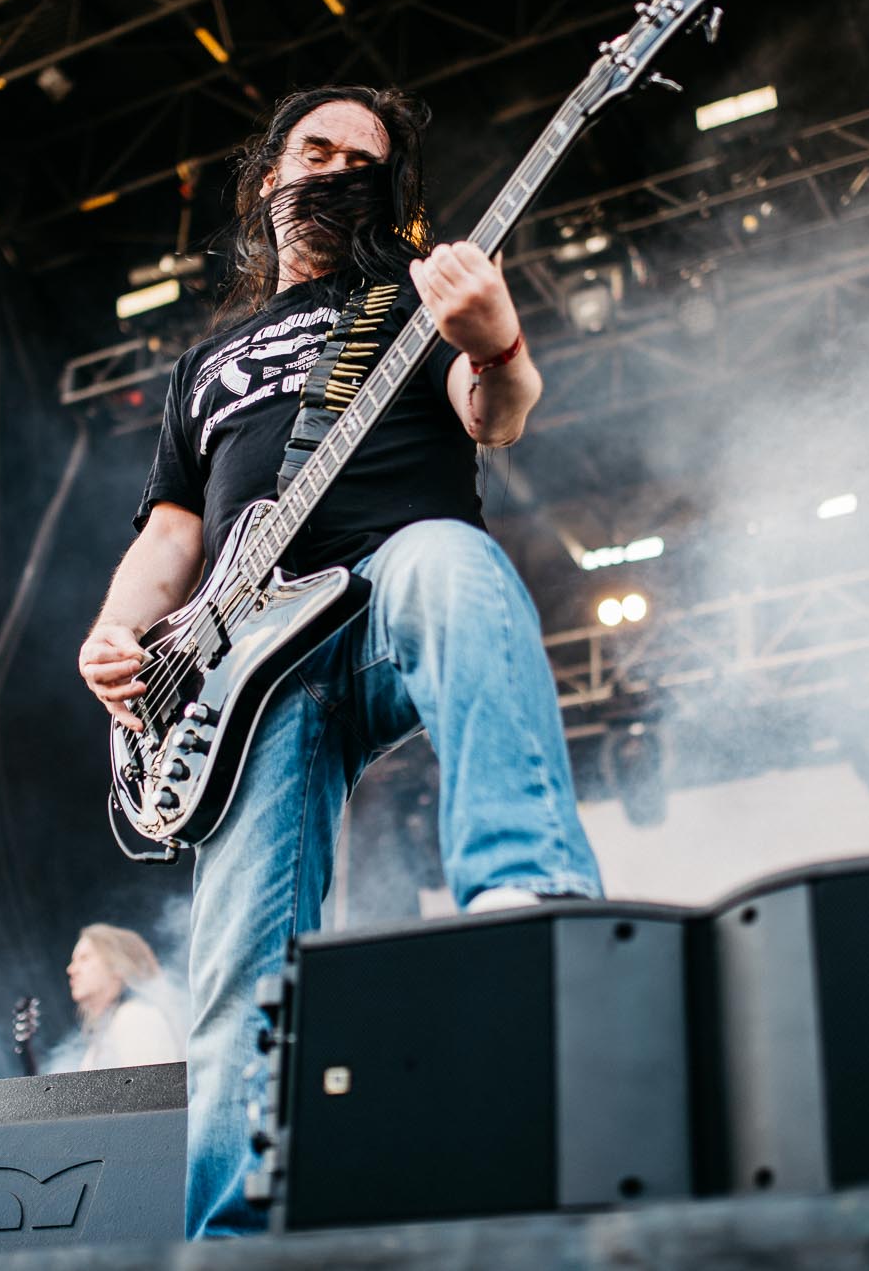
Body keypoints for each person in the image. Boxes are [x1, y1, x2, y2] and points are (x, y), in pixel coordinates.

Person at [76, 85, 603, 1238]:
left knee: (447, 562)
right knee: (232, 968)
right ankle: (226, 1235)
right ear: (268, 176)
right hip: (238, 663)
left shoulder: (404, 297)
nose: (332, 170)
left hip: (377, 594)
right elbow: (173, 534)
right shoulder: (203, 361)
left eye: (360, 160)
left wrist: (494, 336)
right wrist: (114, 636)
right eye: (314, 149)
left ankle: (523, 896)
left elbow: (497, 410)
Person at [64, 923, 181, 1071]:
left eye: (84, 958)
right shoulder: (103, 1037)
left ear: (116, 966)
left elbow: (153, 1091)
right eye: (73, 961)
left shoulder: (136, 1017)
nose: (71, 969)